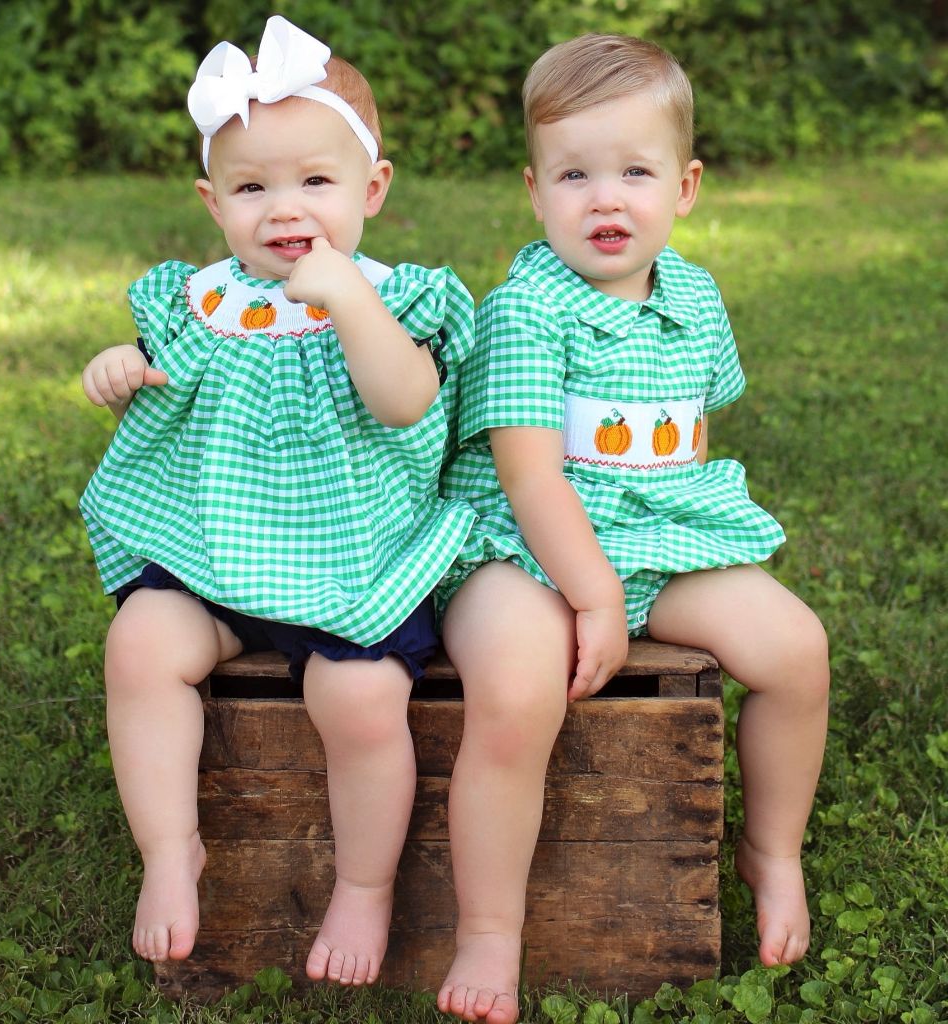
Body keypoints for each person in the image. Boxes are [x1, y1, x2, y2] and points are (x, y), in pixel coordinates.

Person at [434, 33, 829, 1024]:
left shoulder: (692, 294)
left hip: (659, 531)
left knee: (795, 648)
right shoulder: (526, 311)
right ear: (533, 190)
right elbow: (527, 478)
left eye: (635, 172)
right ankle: (489, 926)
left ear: (685, 187)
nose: (605, 200)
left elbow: (691, 431)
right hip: (521, 547)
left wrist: (639, 572)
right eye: (574, 175)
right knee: (518, 691)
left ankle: (771, 851)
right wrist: (594, 593)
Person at [78, 15, 476, 987]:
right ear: (214, 203)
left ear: (371, 189)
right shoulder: (199, 299)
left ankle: (365, 885)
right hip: (215, 557)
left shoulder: (391, 296)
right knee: (139, 647)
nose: (283, 208)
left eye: (315, 181)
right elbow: (164, 373)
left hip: (350, 565)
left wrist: (347, 299)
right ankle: (171, 850)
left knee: (364, 697)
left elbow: (406, 402)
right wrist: (125, 366)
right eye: (253, 188)